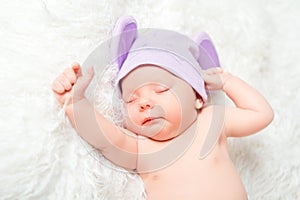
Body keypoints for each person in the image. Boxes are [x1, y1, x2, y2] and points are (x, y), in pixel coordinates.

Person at [52, 16, 274, 200]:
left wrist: (227, 82)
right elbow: (104, 139)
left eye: (160, 90)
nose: (145, 103)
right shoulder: (141, 149)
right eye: (131, 99)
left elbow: (262, 114)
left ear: (198, 98)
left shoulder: (212, 120)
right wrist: (75, 103)